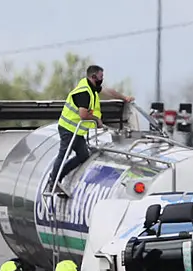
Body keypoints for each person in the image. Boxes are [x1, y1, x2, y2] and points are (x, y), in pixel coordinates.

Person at [48, 64, 134, 195]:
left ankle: (61, 175)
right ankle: (53, 181)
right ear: (93, 77)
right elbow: (83, 115)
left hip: (77, 131)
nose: (102, 79)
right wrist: (96, 120)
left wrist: (124, 98)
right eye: (101, 77)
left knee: (83, 155)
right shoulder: (84, 92)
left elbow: (108, 91)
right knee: (64, 153)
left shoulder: (91, 87)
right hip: (68, 128)